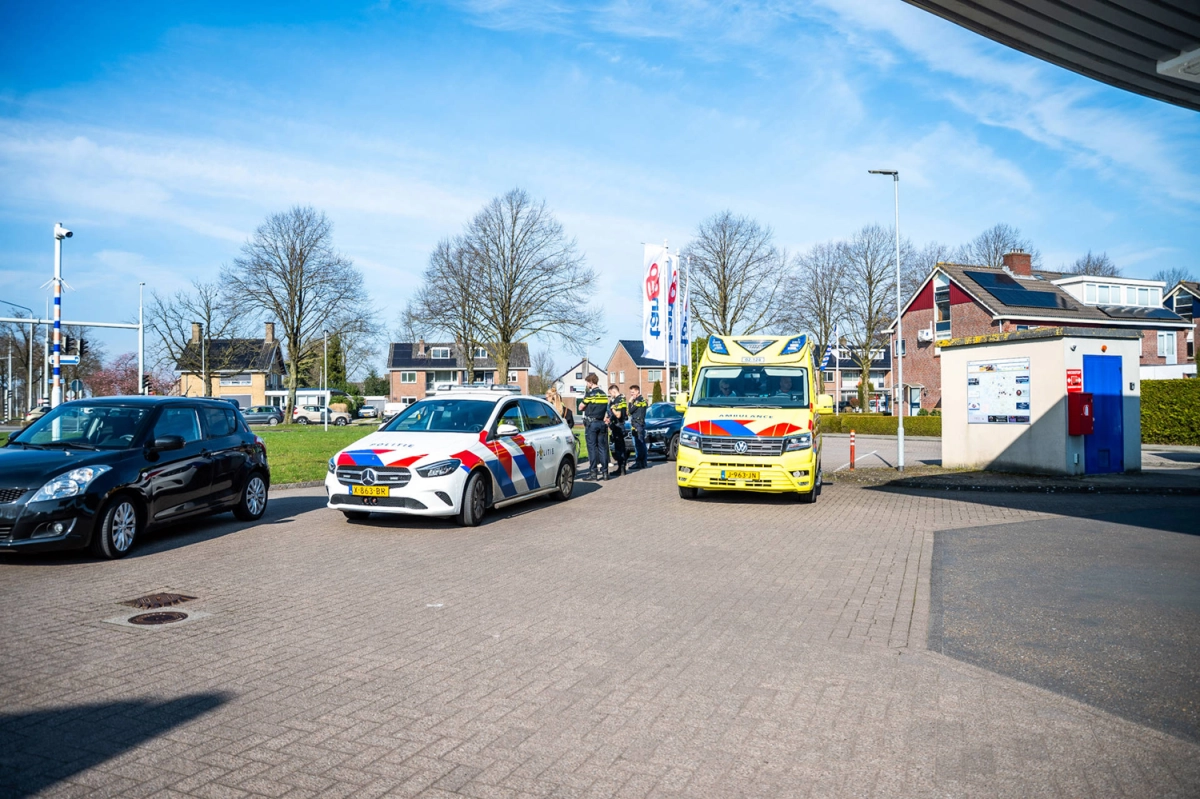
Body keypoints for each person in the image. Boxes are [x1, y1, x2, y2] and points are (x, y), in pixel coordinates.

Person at [579, 374, 609, 480]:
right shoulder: (604, 394)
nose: (587, 385)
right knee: (602, 448)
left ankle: (593, 473)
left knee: (592, 448)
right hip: (602, 423)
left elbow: (580, 407)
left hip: (592, 424)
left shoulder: (590, 394)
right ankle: (605, 473)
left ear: (591, 382)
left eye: (587, 382)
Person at [606, 384, 629, 477]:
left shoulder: (618, 400)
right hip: (620, 425)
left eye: (610, 393)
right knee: (620, 447)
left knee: (619, 448)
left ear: (613, 391)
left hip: (618, 426)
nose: (610, 395)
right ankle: (621, 468)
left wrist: (612, 409)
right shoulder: (622, 399)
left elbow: (618, 415)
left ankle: (621, 469)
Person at [627, 384, 649, 470]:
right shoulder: (643, 400)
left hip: (637, 425)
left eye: (632, 392)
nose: (631, 394)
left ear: (637, 391)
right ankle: (644, 462)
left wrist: (629, 402)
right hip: (641, 424)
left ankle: (639, 462)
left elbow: (630, 411)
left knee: (638, 444)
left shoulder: (638, 401)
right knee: (642, 444)